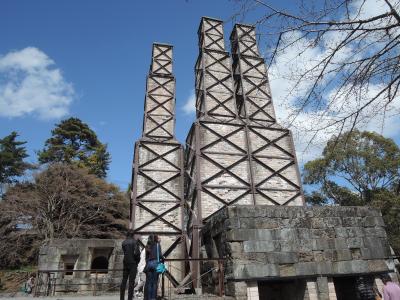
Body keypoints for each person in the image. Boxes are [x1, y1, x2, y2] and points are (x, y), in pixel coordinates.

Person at [120, 229, 141, 300]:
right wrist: (137, 262)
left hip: (125, 262)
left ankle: (121, 298)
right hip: (133, 263)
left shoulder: (124, 242)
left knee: (124, 280)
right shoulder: (135, 242)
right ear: (133, 235)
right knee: (131, 282)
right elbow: (137, 254)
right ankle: (129, 298)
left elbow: (124, 251)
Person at [144, 234, 162, 300]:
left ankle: (148, 298)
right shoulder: (157, 245)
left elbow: (146, 257)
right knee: (154, 283)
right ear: (155, 239)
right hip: (155, 264)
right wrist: (163, 258)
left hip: (149, 264)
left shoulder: (147, 246)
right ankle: (153, 298)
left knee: (149, 283)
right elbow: (160, 255)